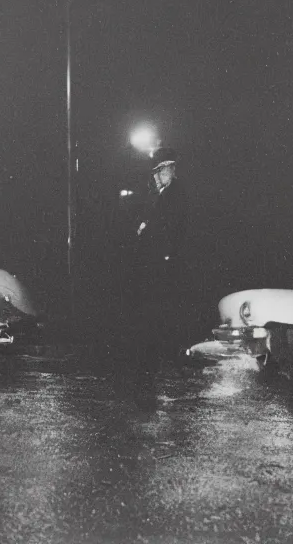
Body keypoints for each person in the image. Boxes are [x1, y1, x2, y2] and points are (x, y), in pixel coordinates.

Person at [126, 147, 188, 407]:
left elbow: (172, 228)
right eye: (155, 173)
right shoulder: (159, 195)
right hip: (153, 259)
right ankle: (154, 350)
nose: (156, 177)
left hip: (164, 260)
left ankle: (165, 352)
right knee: (152, 304)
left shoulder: (175, 194)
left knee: (162, 304)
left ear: (170, 170)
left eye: (160, 171)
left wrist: (165, 254)